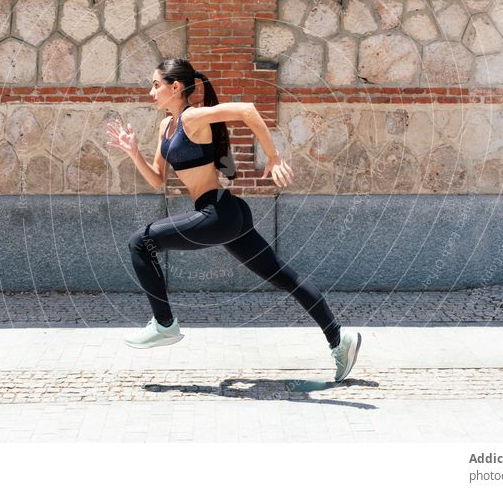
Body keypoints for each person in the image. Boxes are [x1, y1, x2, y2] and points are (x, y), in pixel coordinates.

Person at [106, 58, 361, 382]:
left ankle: (164, 324)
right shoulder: (165, 128)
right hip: (227, 213)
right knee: (284, 277)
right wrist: (133, 152)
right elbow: (158, 179)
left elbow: (247, 110)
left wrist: (274, 156)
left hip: (216, 213)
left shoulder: (193, 117)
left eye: (156, 85)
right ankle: (340, 340)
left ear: (175, 87)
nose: (151, 91)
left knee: (139, 242)